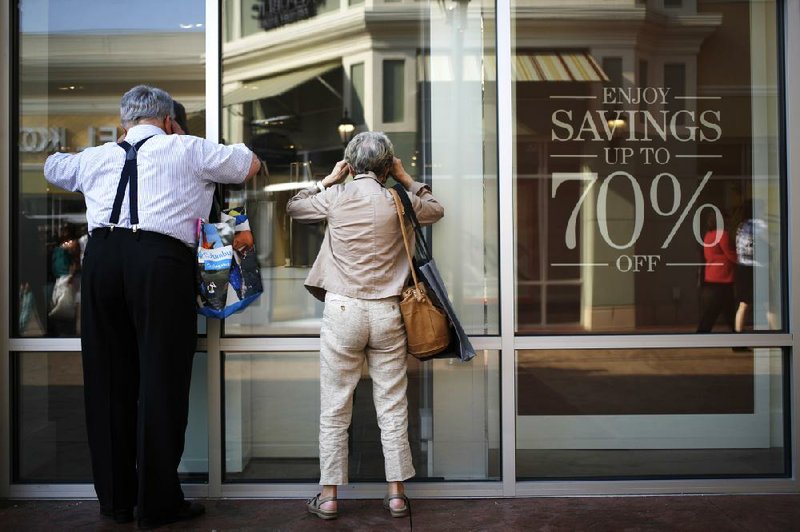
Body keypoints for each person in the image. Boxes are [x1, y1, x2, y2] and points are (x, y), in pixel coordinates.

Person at [44, 85, 261, 528]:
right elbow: (248, 163)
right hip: (161, 263)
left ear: (124, 122)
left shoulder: (96, 157)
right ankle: (158, 502)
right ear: (166, 119)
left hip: (102, 261)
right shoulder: (186, 147)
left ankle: (116, 501)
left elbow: (52, 166)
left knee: (107, 382)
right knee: (161, 378)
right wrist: (179, 135)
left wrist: (92, 153)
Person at [286, 131, 444, 520]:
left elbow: (294, 206)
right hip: (389, 312)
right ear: (387, 165)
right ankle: (395, 495)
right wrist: (405, 177)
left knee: (335, 404)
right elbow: (436, 209)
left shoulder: (336, 197)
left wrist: (328, 179)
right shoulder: (401, 200)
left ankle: (328, 496)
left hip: (343, 311)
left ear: (350, 165)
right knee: (391, 403)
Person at [696, 211, 737, 333]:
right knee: (725, 310)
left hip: (712, 275)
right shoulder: (722, 235)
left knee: (717, 310)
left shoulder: (708, 235)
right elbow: (730, 253)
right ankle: (737, 339)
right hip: (723, 276)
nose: (729, 223)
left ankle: (702, 334)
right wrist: (743, 260)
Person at [734, 201, 768, 332]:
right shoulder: (759, 225)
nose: (764, 212)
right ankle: (778, 340)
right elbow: (770, 242)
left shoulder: (741, 226)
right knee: (769, 305)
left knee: (743, 305)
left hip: (742, 268)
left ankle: (739, 340)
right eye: (762, 209)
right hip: (758, 268)